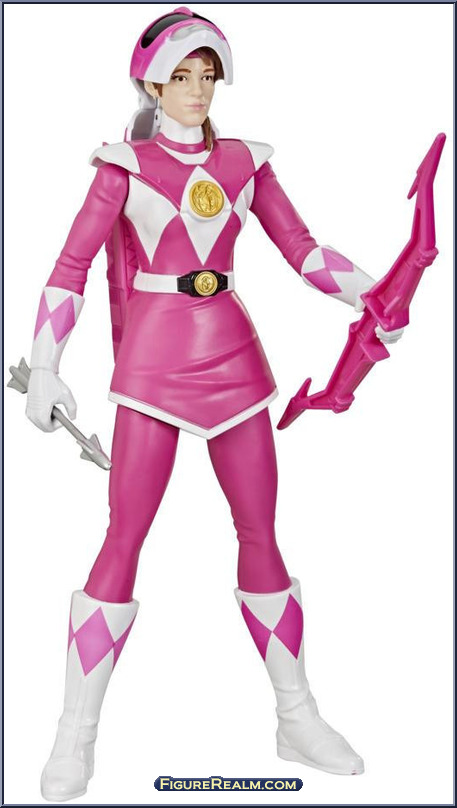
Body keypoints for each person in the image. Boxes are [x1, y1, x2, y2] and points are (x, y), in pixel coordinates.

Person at [25, 7, 403, 801]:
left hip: (232, 355)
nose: (198, 89)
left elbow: (302, 249)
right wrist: (48, 366)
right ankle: (74, 733)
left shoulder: (244, 162)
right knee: (123, 538)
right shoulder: (122, 166)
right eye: (182, 75)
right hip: (153, 365)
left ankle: (296, 717)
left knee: (261, 531)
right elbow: (69, 268)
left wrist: (373, 293)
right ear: (152, 83)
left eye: (208, 75)